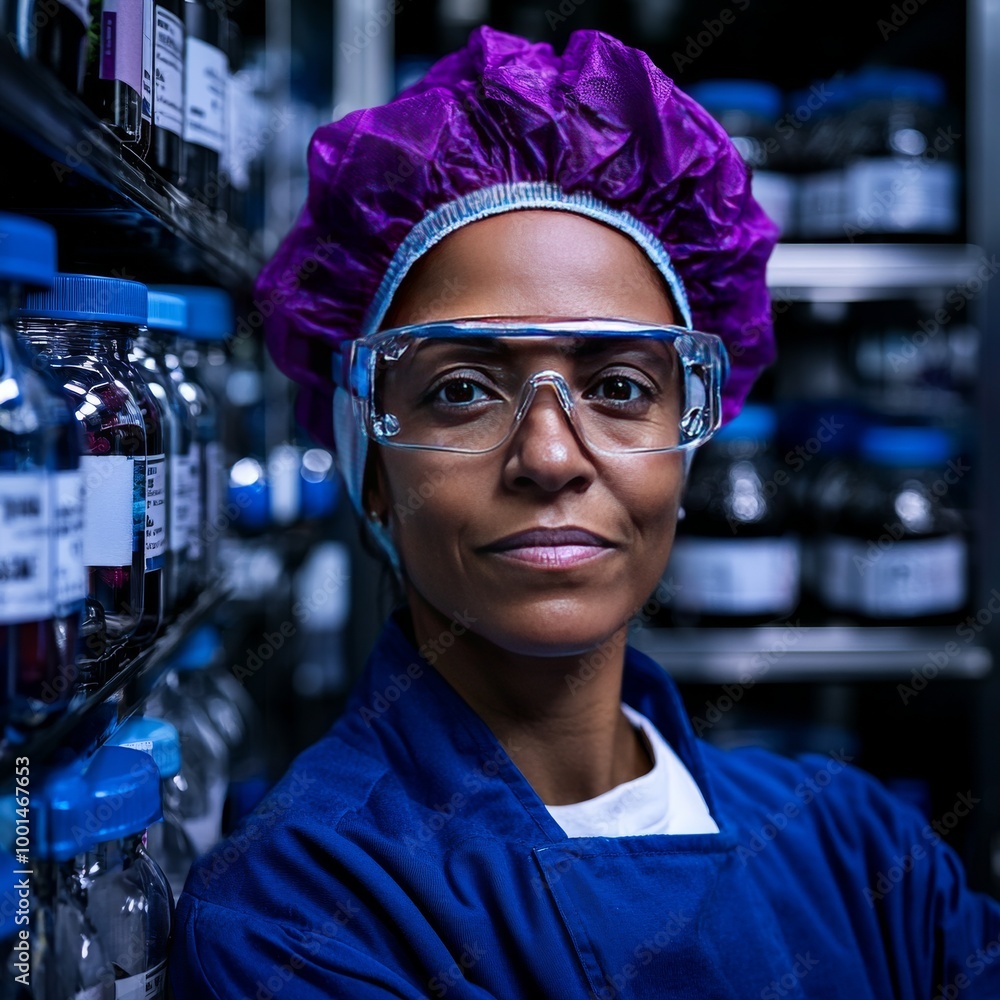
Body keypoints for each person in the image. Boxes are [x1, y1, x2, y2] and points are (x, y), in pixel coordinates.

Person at [168, 25, 1000, 1000]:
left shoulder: (859, 852)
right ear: (371, 460)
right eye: (462, 389)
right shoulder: (296, 920)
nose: (551, 456)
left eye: (615, 387)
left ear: (688, 444)